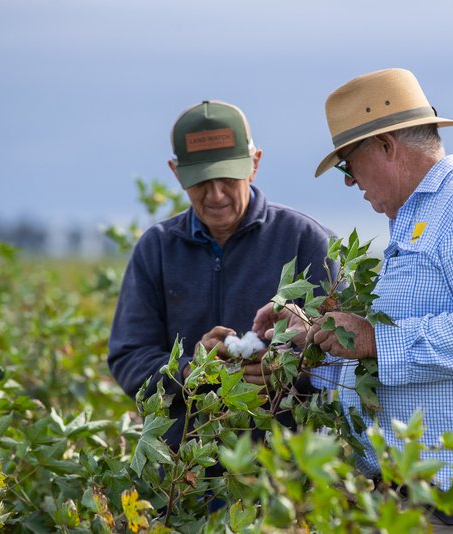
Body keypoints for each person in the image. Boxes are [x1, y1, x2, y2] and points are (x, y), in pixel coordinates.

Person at [253, 68, 453, 531]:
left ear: (387, 146)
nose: (349, 182)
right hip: (410, 502)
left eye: (348, 164)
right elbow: (387, 364)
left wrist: (374, 339)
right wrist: (306, 340)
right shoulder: (415, 220)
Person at [108, 100, 337, 454]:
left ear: (255, 164)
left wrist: (285, 369)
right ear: (176, 173)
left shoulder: (306, 240)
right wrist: (188, 371)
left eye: (228, 179)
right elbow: (129, 357)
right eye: (201, 181)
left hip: (286, 469)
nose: (215, 195)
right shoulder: (157, 248)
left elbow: (343, 357)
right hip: (182, 469)